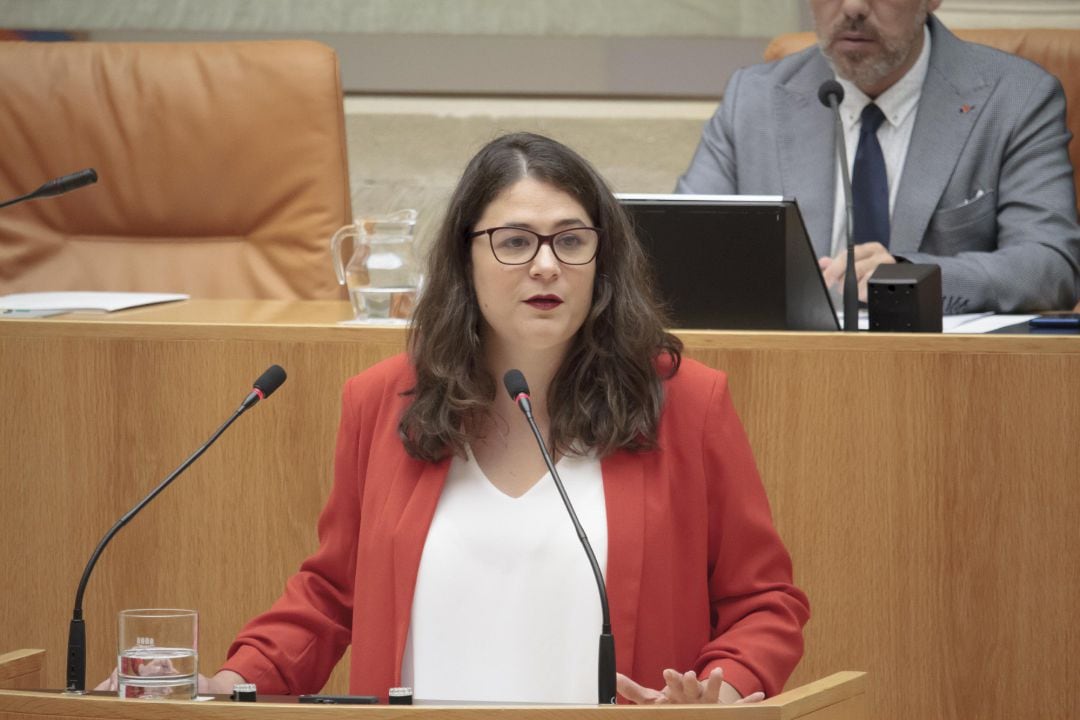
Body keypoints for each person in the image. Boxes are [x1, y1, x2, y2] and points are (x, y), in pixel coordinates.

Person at [102, 132, 809, 704]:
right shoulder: (385, 402)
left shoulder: (684, 404)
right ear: (464, 257)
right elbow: (330, 594)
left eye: (571, 240)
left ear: (604, 260)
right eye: (513, 241)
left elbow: (764, 602)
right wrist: (230, 683)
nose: (545, 266)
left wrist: (722, 690)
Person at [677, 0, 1080, 314]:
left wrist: (913, 275)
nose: (853, 7)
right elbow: (679, 248)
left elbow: (1050, 266)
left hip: (943, 378)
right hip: (786, 373)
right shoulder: (753, 98)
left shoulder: (1015, 98)